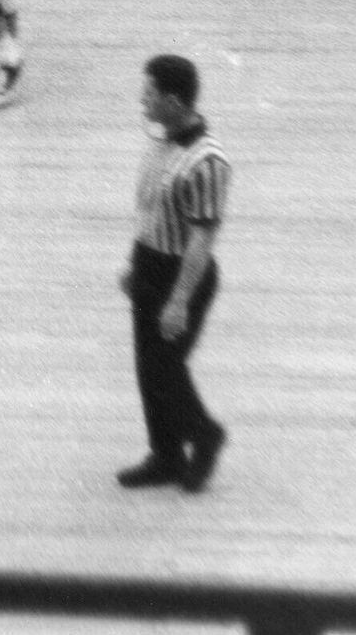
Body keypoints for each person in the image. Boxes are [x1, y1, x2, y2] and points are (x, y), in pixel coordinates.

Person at [117, 52, 232, 492]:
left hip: (181, 273)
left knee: (166, 368)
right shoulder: (160, 141)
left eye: (148, 94)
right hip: (150, 263)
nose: (141, 100)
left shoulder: (207, 161)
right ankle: (165, 456)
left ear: (173, 101)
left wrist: (179, 299)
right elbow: (149, 210)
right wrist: (134, 263)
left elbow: (203, 238)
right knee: (149, 370)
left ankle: (205, 434)